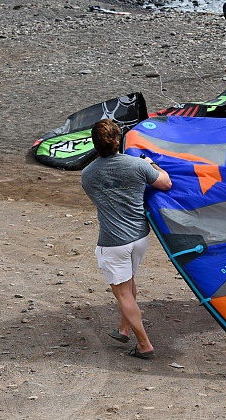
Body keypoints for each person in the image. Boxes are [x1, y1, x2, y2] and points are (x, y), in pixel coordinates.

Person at [81, 119, 172, 359]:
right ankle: (124, 329)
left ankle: (144, 345)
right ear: (118, 140)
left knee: (122, 293)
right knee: (129, 285)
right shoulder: (137, 165)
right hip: (139, 237)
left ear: (94, 144)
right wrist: (151, 164)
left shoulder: (87, 175)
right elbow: (166, 183)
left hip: (113, 241)